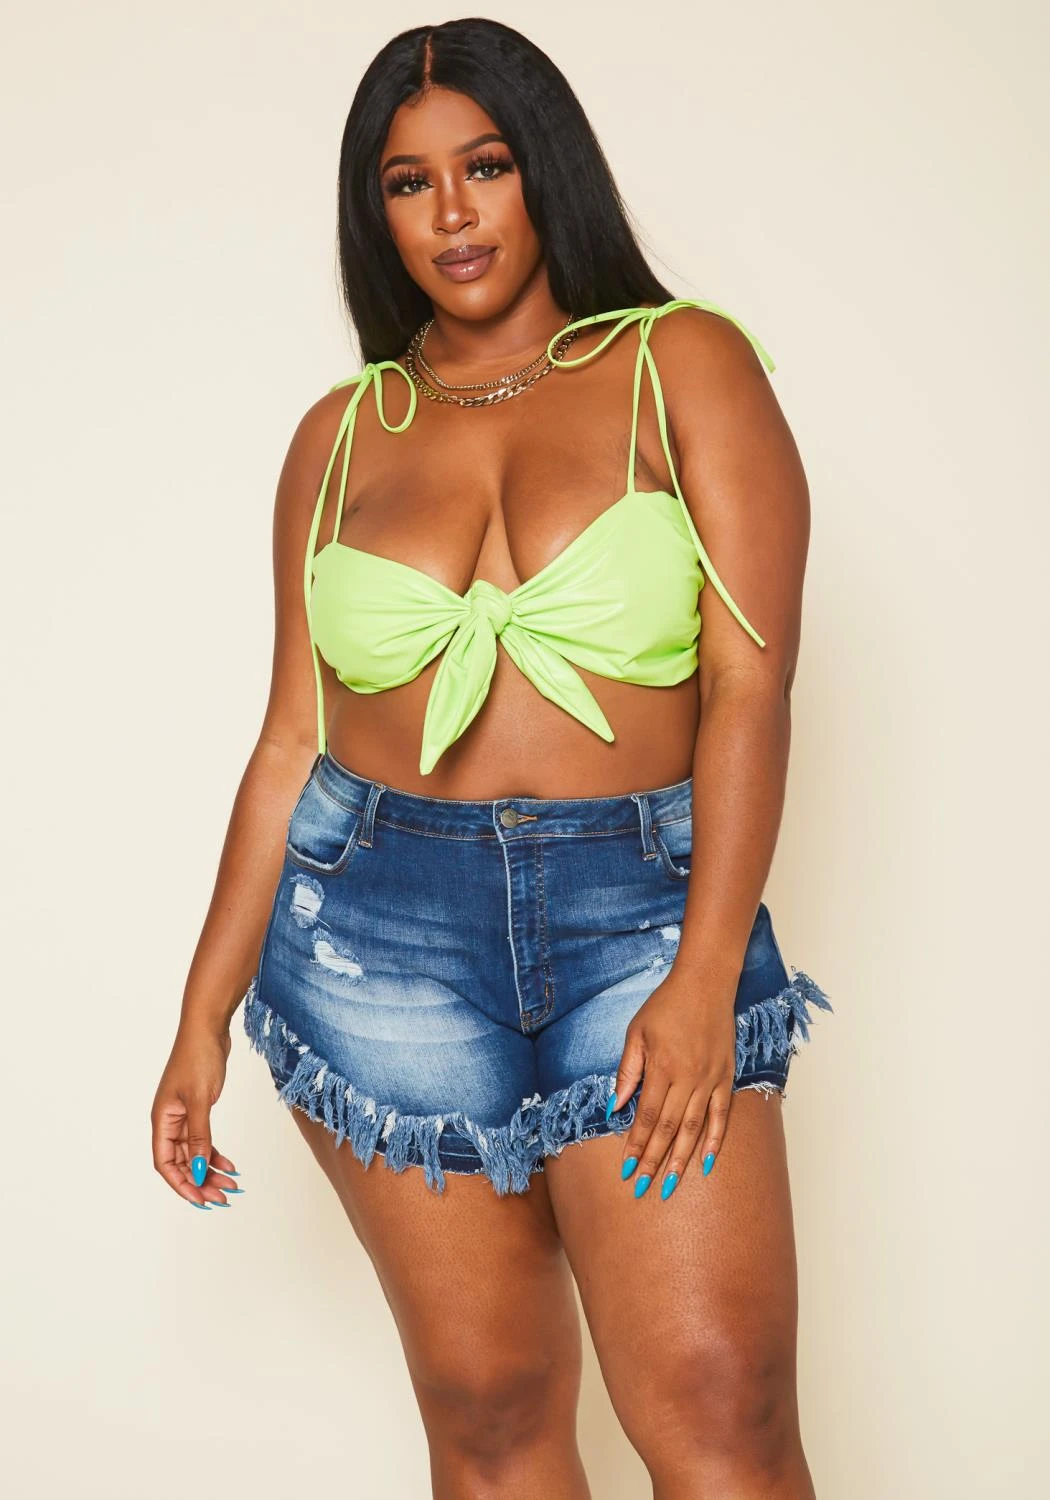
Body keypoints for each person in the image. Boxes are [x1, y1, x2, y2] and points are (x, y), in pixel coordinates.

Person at [152, 17, 833, 1498]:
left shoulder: (679, 364)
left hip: (640, 916)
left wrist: (703, 973)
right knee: (488, 1412)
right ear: (374, 211)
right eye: (409, 183)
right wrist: (200, 1017)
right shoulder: (338, 436)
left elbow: (749, 687)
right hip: (376, 936)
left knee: (719, 1407)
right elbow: (290, 741)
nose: (452, 214)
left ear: (548, 172)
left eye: (487, 165)